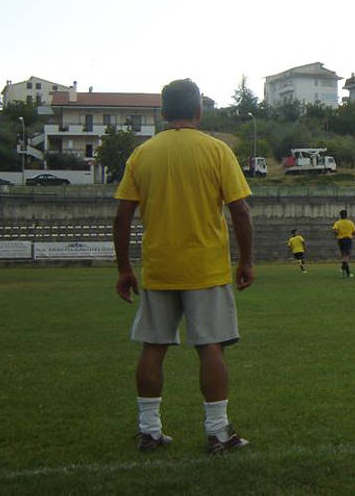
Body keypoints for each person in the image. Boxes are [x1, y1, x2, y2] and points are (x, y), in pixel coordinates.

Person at [112, 78, 253, 454]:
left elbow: (122, 215)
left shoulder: (143, 154)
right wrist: (247, 261)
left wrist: (125, 267)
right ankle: (218, 432)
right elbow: (240, 209)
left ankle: (149, 430)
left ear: (163, 112)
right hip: (205, 268)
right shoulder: (216, 150)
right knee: (210, 348)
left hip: (159, 268)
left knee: (153, 348)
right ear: (198, 110)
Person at [332, 209, 355, 277]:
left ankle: (345, 270)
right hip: (348, 239)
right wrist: (351, 235)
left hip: (340, 240)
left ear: (340, 215)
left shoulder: (338, 222)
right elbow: (354, 232)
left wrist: (338, 234)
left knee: (343, 254)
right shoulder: (350, 222)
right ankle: (344, 268)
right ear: (346, 215)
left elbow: (335, 230)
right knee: (347, 255)